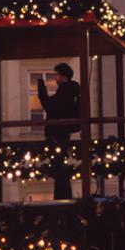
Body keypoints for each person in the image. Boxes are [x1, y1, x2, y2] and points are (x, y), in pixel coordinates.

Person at [37, 63, 81, 200]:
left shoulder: (65, 91)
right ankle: (63, 195)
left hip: (58, 133)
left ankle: (62, 196)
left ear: (63, 76)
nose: (55, 78)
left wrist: (42, 92)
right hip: (63, 132)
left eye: (57, 75)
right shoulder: (72, 91)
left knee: (58, 167)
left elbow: (50, 107)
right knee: (59, 166)